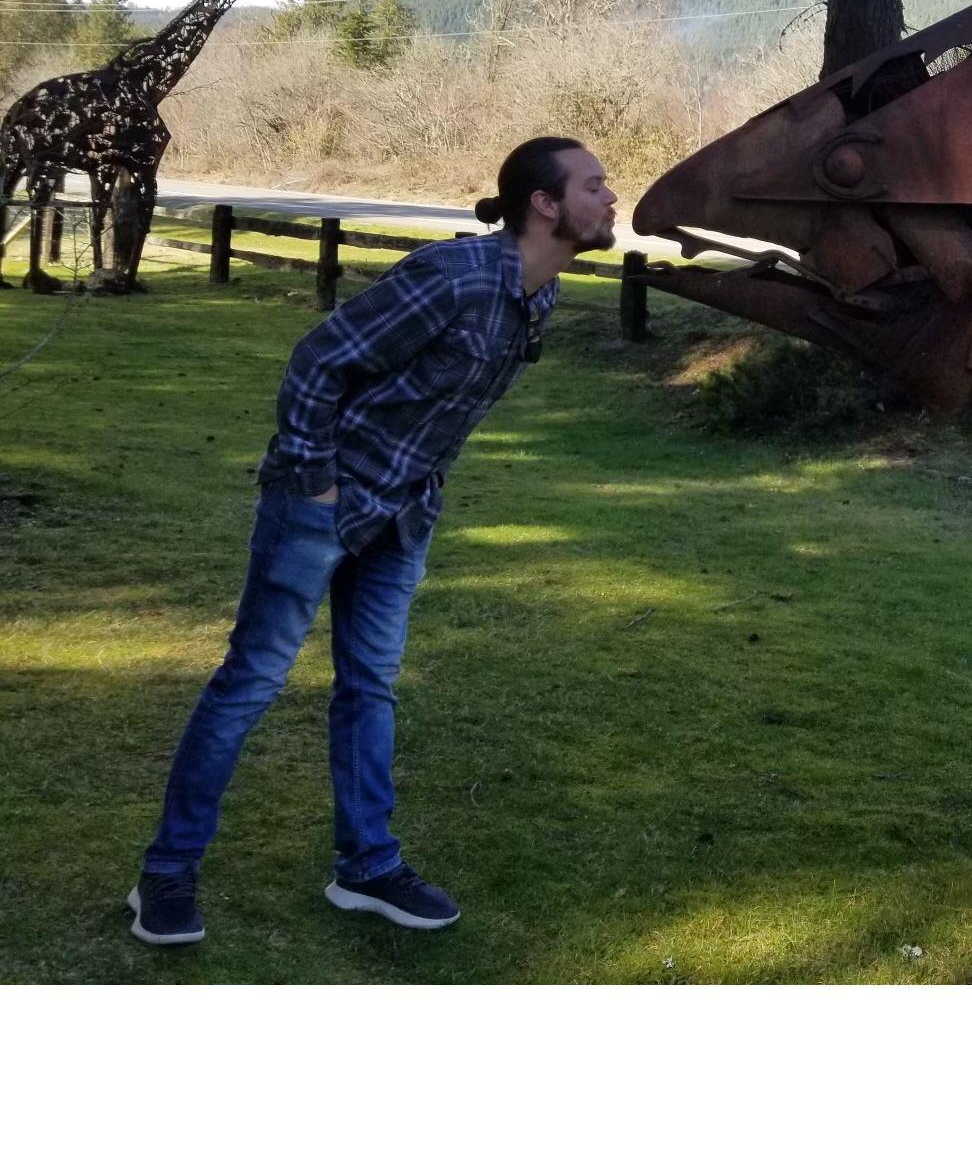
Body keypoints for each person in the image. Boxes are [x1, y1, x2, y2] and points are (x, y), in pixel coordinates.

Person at [127, 137, 619, 945]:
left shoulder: (537, 297)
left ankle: (365, 867)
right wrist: (318, 481)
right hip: (318, 505)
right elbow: (318, 361)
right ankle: (166, 878)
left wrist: (420, 487)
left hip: (401, 516)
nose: (610, 199)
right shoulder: (452, 281)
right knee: (251, 681)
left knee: (370, 687)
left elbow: (440, 409)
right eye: (594, 186)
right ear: (545, 203)